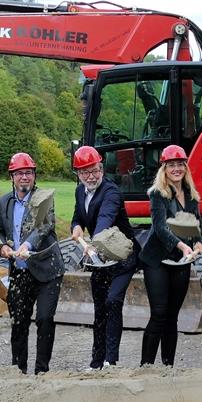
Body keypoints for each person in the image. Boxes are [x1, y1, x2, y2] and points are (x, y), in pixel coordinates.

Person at [0, 152, 65, 374]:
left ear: (34, 176)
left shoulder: (44, 197)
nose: (25, 177)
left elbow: (44, 226)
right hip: (19, 271)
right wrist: (2, 246)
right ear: (12, 176)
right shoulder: (5, 201)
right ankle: (18, 371)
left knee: (44, 319)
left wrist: (27, 246)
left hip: (46, 270)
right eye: (20, 173)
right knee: (18, 322)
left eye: (29, 173)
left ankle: (41, 371)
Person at [70, 146, 139, 369]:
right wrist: (77, 227)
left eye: (95, 170)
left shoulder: (111, 192)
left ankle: (111, 360)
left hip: (122, 255)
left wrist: (93, 241)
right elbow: (77, 217)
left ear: (101, 168)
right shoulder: (80, 191)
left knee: (112, 301)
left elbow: (105, 217)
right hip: (100, 258)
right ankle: (96, 361)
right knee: (99, 309)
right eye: (85, 172)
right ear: (78, 174)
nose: (91, 176)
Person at [139, 145, 202, 366]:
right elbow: (160, 228)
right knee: (158, 313)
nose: (176, 169)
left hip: (180, 262)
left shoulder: (192, 196)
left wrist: (197, 243)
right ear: (164, 169)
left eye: (180, 165)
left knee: (172, 317)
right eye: (171, 165)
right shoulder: (158, 194)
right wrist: (182, 246)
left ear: (185, 167)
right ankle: (146, 367)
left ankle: (168, 367)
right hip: (157, 260)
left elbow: (195, 226)